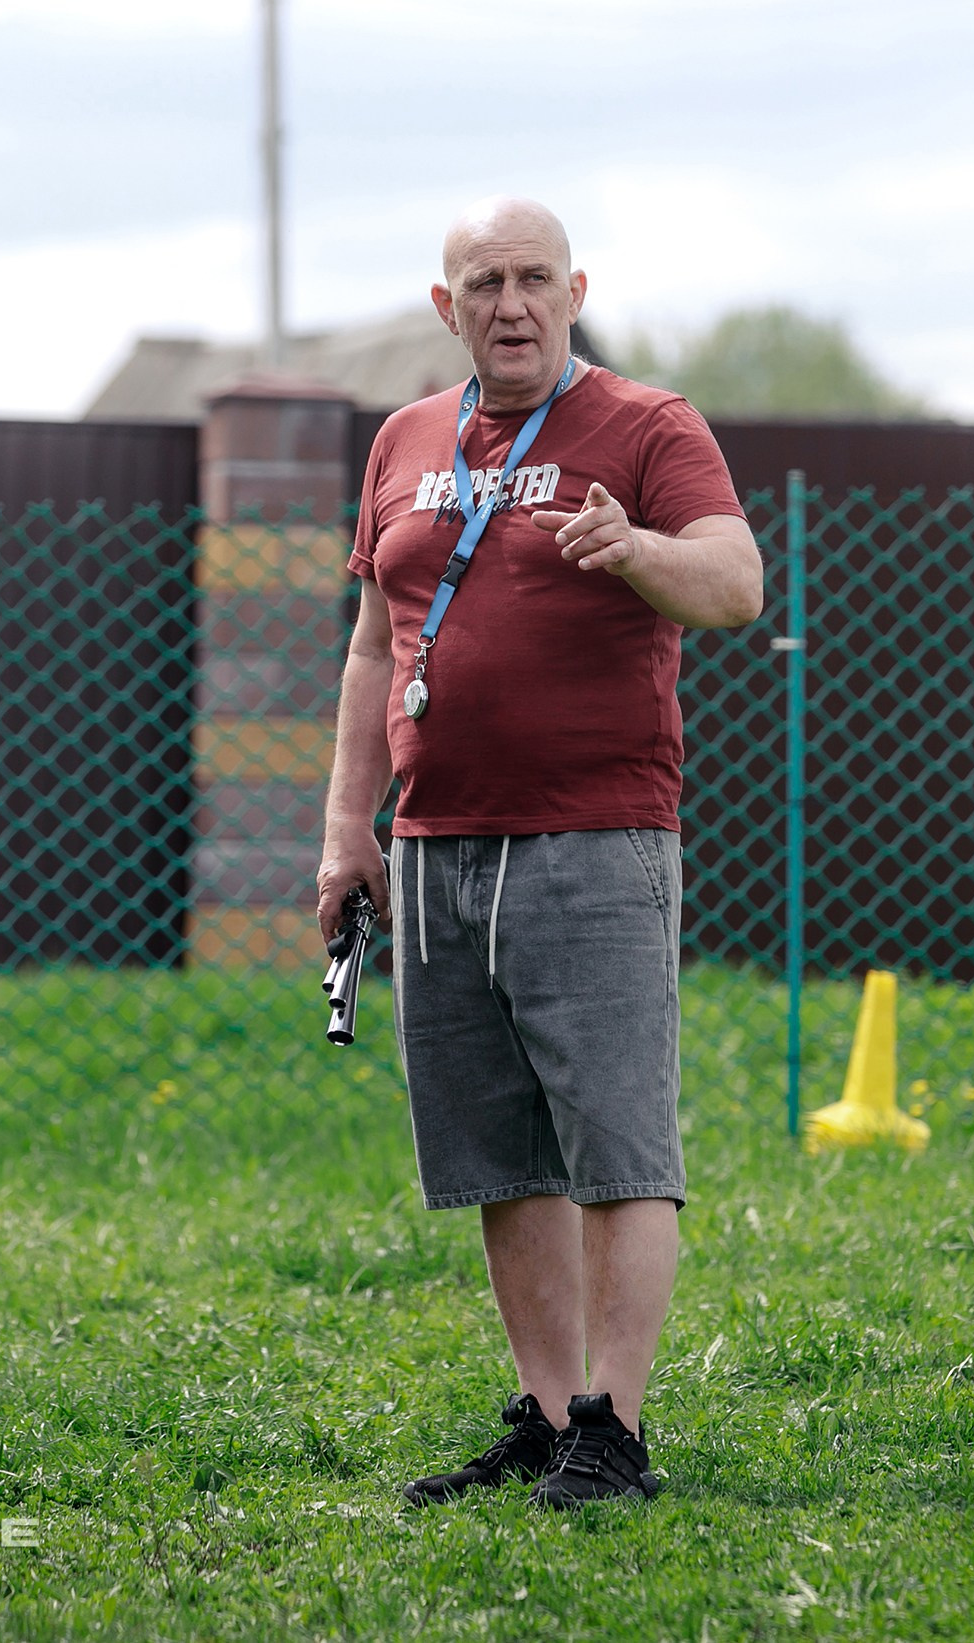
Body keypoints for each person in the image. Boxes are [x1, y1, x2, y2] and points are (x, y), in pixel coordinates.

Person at [315, 196, 764, 1509]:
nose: (510, 305)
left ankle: (615, 1429)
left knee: (616, 1147)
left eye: (533, 279)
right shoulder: (404, 440)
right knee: (499, 1152)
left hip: (595, 837)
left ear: (576, 292)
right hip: (434, 845)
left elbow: (737, 586)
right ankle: (552, 1410)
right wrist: (347, 830)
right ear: (445, 307)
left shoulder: (650, 426)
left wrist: (634, 549)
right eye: (484, 283)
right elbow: (371, 651)